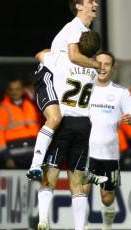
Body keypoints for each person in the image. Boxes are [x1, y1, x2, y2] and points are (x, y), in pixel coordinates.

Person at [35, 31, 106, 230]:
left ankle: (43, 220)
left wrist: (60, 49)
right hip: (83, 124)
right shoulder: (94, 70)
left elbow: (40, 54)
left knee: (50, 174)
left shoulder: (62, 60)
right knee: (77, 181)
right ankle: (79, 227)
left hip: (63, 123)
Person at [27, 0, 101, 179]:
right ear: (79, 6)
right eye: (90, 1)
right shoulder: (75, 27)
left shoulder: (84, 31)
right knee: (55, 117)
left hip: (62, 75)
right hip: (49, 74)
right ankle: (35, 164)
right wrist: (96, 65)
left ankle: (85, 168)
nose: (96, 4)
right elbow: (74, 56)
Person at [84, 51, 131, 230]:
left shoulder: (120, 92)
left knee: (106, 197)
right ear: (93, 64)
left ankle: (107, 227)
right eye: (99, 63)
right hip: (84, 151)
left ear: (112, 67)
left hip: (109, 153)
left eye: (107, 64)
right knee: (81, 192)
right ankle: (82, 226)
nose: (102, 67)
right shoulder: (84, 88)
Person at [0, 79, 40, 169]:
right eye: (12, 89)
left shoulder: (29, 106)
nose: (15, 92)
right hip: (14, 159)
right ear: (7, 91)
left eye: (17, 89)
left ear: (22, 90)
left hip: (33, 158)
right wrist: (7, 158)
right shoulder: (1, 110)